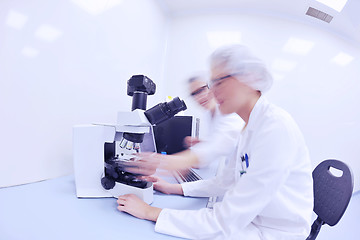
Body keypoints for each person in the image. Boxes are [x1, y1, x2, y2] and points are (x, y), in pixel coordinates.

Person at [117, 44, 314, 240]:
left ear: (248, 79)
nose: (212, 91)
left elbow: (223, 222)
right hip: (253, 222)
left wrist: (150, 212)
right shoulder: (250, 128)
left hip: (277, 234)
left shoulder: (274, 128)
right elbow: (225, 182)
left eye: (219, 81)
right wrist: (172, 188)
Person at [125, 74, 244, 173]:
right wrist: (204, 143)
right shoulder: (209, 113)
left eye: (202, 89)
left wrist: (158, 161)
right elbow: (221, 144)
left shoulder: (229, 113)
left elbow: (216, 148)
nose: (200, 96)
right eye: (194, 94)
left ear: (211, 87)